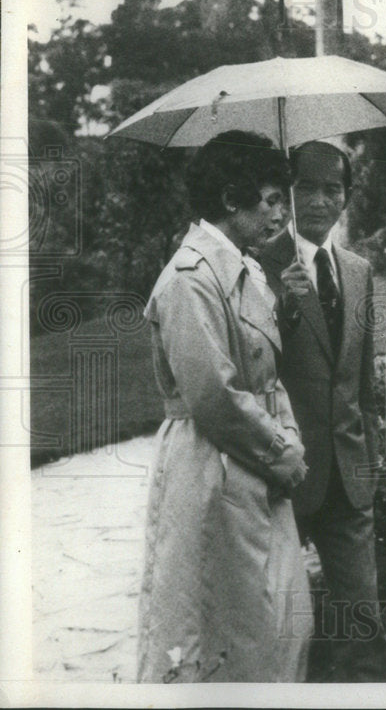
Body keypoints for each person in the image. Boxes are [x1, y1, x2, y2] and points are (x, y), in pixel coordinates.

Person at [137, 131, 312, 683]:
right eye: (271, 200)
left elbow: (265, 377)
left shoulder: (245, 269)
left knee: (281, 621)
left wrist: (287, 437)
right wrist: (281, 451)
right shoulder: (190, 280)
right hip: (212, 470)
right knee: (218, 627)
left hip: (253, 463)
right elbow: (214, 397)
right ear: (231, 199)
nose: (283, 214)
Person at [260, 140, 386, 682]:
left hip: (349, 479)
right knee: (278, 626)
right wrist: (285, 311)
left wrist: (370, 460)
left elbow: (362, 383)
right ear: (288, 196)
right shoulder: (259, 264)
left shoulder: (358, 272)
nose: (319, 200)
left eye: (331, 189)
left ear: (346, 198)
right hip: (285, 477)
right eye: (306, 188)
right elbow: (251, 374)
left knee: (365, 620)